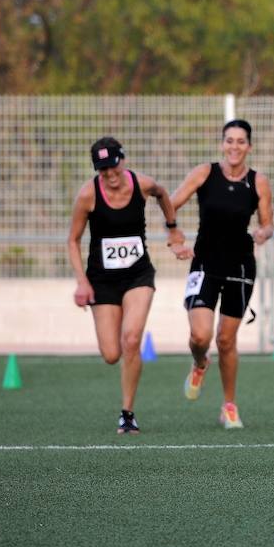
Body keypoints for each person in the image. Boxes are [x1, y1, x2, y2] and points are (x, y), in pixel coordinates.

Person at [67, 136, 185, 434]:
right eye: (102, 169)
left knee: (131, 340)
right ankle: (125, 399)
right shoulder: (87, 195)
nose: (109, 174)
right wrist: (82, 282)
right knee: (111, 354)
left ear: (123, 160)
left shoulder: (143, 184)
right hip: (102, 280)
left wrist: (172, 229)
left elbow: (162, 195)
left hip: (138, 275)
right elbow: (73, 240)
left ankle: (128, 413)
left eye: (113, 166)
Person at [171, 119, 273, 429]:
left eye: (241, 141)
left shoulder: (258, 182)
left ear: (249, 147)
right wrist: (175, 237)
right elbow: (169, 204)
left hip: (241, 266)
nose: (234, 146)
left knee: (226, 340)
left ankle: (229, 405)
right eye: (229, 140)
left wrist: (262, 233)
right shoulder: (205, 173)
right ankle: (200, 362)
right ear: (222, 144)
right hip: (204, 263)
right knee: (199, 336)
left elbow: (268, 222)